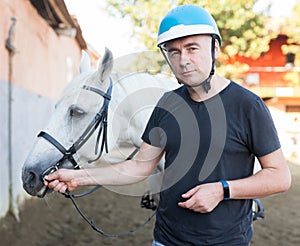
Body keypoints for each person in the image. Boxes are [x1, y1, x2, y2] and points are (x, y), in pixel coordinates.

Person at [45, 4, 291, 245]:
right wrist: (78, 177)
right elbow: (139, 167)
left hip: (227, 240)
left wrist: (223, 190)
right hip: (166, 239)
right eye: (174, 52)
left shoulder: (248, 106)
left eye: (192, 48)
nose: (183, 60)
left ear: (215, 47)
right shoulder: (167, 104)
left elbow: (280, 176)